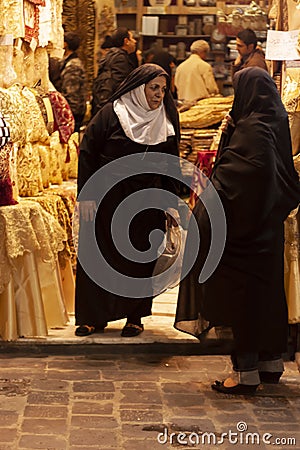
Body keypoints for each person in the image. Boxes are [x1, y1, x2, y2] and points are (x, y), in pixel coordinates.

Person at [175, 67, 300, 395]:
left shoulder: (252, 131)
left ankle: (244, 373)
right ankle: (269, 363)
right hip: (265, 231)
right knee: (266, 296)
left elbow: (237, 178)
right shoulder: (274, 123)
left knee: (239, 298)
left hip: (241, 234)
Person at [75, 63, 181, 338]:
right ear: (137, 88)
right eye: (153, 88)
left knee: (140, 256)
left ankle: (135, 316)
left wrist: (172, 201)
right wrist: (86, 194)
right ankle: (92, 317)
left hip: (148, 198)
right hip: (106, 196)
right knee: (98, 255)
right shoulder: (111, 113)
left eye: (163, 89)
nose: (159, 95)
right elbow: (87, 152)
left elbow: (172, 161)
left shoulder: (166, 117)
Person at [91, 27, 137, 116]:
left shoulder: (110, 56)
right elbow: (120, 87)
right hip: (111, 109)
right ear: (126, 41)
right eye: (132, 38)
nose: (135, 41)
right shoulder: (120, 59)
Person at [59, 31, 87, 132]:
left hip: (73, 112)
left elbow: (71, 93)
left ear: (65, 44)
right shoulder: (67, 62)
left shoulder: (73, 65)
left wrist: (66, 113)